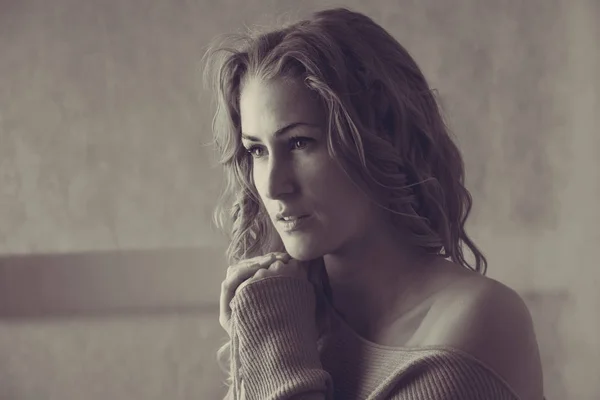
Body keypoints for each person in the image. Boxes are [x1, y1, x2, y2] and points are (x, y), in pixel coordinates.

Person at [202, 7, 544, 400]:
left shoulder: (481, 317)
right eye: (257, 150)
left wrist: (272, 343)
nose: (274, 186)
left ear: (377, 139)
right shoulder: (291, 308)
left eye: (300, 143)